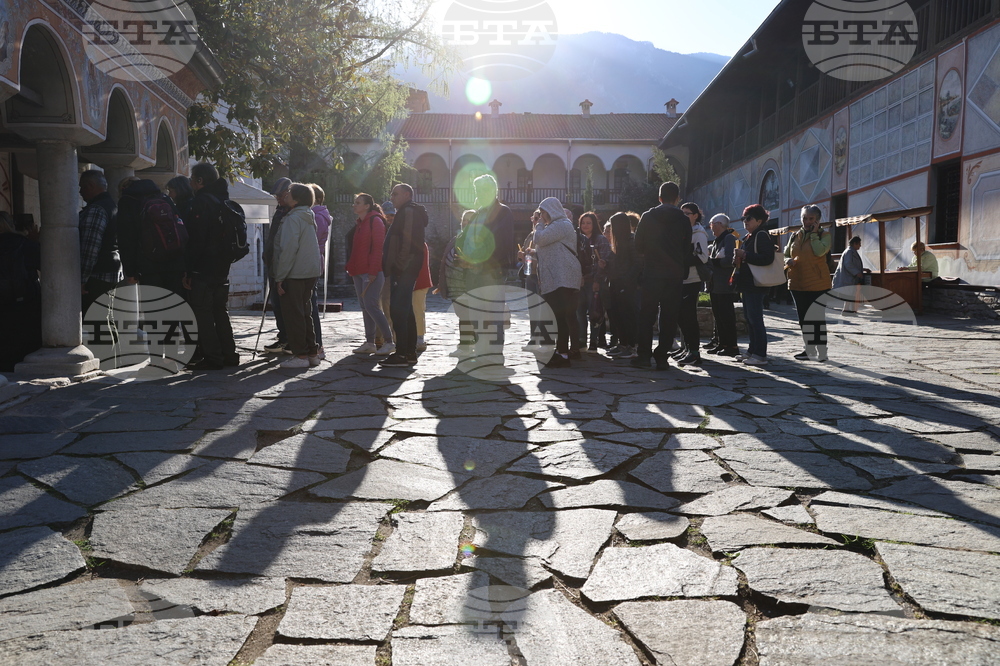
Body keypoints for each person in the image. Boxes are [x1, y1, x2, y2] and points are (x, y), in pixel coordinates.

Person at [183, 162, 239, 370]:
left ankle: (213, 357)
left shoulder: (201, 202)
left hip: (204, 268)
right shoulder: (223, 200)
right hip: (222, 266)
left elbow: (196, 239)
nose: (189, 183)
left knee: (203, 312)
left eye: (192, 178)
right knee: (220, 311)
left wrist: (189, 270)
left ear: (199, 181)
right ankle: (229, 355)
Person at [631, 181, 692, 370]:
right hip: (674, 274)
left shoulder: (648, 217)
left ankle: (643, 355)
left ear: (659, 198)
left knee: (646, 315)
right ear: (677, 199)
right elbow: (686, 248)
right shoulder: (682, 219)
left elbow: (638, 245)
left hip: (652, 272)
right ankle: (662, 356)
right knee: (669, 316)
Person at [457, 174, 515, 352]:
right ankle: (482, 351)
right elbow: (465, 238)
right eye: (476, 190)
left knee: (492, 314)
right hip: (474, 271)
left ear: (492, 190)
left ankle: (494, 354)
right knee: (477, 313)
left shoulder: (502, 211)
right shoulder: (479, 213)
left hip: (491, 271)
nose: (478, 193)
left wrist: (481, 262)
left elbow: (501, 242)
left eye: (481, 190)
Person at [273, 183, 323, 369]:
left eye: (289, 193)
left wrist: (280, 277)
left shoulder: (293, 218)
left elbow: (288, 249)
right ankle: (312, 352)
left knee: (294, 315)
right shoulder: (308, 216)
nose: (285, 195)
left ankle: (300, 355)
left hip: (294, 272)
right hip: (309, 271)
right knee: (305, 313)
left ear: (297, 198)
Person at [380, 183, 428, 368]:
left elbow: (407, 242)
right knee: (405, 310)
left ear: (407, 195)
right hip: (405, 267)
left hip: (405, 268)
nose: (392, 197)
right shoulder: (407, 211)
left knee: (399, 310)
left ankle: (402, 354)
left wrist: (399, 265)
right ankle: (408, 353)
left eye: (395, 194)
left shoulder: (408, 212)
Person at [532, 197, 582, 368]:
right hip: (557, 279)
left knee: (559, 317)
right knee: (556, 316)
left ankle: (562, 354)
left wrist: (537, 223)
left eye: (543, 212)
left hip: (563, 278)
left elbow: (539, 239)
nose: (541, 215)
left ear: (551, 210)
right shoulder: (554, 227)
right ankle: (559, 352)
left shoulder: (562, 224)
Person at [118, 178, 186, 295]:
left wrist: (130, 271)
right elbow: (180, 228)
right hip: (174, 263)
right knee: (174, 307)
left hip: (148, 266)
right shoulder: (164, 198)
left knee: (154, 308)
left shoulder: (127, 201)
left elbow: (127, 238)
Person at [346, 194, 393, 355]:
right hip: (358, 271)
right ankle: (370, 342)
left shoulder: (376, 221)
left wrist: (373, 272)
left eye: (357, 203)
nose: (354, 205)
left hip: (371, 272)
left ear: (367, 206)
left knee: (372, 306)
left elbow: (378, 249)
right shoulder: (360, 223)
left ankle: (388, 341)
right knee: (365, 307)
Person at [784, 204, 832, 361]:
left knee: (817, 319)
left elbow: (819, 251)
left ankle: (822, 352)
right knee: (803, 319)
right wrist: (787, 260)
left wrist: (813, 235)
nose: (807, 221)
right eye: (804, 218)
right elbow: (785, 254)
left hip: (818, 284)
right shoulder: (794, 236)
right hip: (797, 282)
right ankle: (809, 350)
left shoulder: (825, 235)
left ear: (818, 220)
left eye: (811, 218)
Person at [733, 204, 775, 366]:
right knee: (750, 318)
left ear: (759, 220)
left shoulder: (762, 235)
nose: (745, 221)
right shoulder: (749, 237)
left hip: (756, 283)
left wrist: (746, 255)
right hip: (748, 283)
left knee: (756, 319)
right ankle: (752, 350)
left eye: (748, 218)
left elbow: (767, 258)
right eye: (743, 218)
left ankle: (760, 354)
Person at [0, 211, 41, 371]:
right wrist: (36, 242)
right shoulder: (24, 243)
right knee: (25, 337)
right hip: (25, 298)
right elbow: (44, 264)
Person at [78, 169, 122, 315]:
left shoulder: (96, 209)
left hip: (97, 275)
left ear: (90, 186)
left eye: (82, 187)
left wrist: (82, 279)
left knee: (97, 323)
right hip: (111, 270)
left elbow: (90, 248)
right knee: (105, 319)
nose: (80, 192)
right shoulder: (111, 205)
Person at [675, 202, 710, 366]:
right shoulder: (683, 231)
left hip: (692, 279)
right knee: (682, 316)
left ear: (696, 215)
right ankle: (687, 348)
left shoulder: (699, 233)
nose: (684, 216)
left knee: (689, 317)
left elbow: (703, 257)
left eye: (687, 213)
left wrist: (679, 260)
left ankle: (694, 352)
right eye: (682, 213)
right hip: (682, 279)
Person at [605, 212, 641, 359]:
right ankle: (623, 343)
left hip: (627, 285)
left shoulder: (631, 240)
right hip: (615, 283)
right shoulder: (617, 242)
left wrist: (627, 282)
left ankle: (632, 346)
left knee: (628, 316)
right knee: (617, 315)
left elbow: (637, 264)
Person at [262, 178, 292, 354]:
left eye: (281, 195)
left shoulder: (293, 212)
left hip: (285, 265)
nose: (278, 199)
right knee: (277, 304)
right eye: (277, 196)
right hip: (273, 262)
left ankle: (289, 339)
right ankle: (283, 337)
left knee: (286, 304)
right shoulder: (280, 210)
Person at [442, 209, 476, 356]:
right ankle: (470, 342)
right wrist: (441, 283)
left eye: (469, 221)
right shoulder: (457, 238)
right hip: (454, 284)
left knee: (466, 315)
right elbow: (444, 260)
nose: (465, 223)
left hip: (467, 284)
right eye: (464, 220)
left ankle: (466, 346)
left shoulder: (475, 240)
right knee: (462, 314)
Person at [705, 214, 739, 357]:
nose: (710, 227)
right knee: (718, 315)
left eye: (712, 223)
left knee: (726, 316)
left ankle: (731, 345)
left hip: (724, 285)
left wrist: (711, 261)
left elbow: (728, 260)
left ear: (719, 224)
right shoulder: (717, 240)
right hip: (715, 285)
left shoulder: (728, 238)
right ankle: (721, 343)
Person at [578, 211, 611, 352]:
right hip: (579, 282)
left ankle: (593, 341)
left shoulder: (600, 239)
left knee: (595, 312)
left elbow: (603, 261)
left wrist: (597, 279)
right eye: (583, 223)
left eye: (588, 223)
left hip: (595, 281)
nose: (585, 225)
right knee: (579, 313)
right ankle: (581, 341)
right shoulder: (576, 239)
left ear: (594, 224)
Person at [309, 184, 331, 360]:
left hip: (310, 263)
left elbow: (312, 240)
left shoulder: (317, 216)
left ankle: (317, 345)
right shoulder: (316, 214)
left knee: (311, 305)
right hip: (311, 262)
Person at [375, 199, 396, 348]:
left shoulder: (397, 229)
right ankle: (379, 337)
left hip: (390, 272)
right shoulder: (380, 227)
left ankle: (390, 338)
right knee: (377, 305)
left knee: (388, 306)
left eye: (392, 216)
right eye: (387, 215)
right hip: (378, 270)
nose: (389, 218)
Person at [833, 235, 864, 312]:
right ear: (854, 244)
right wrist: (857, 272)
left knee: (850, 294)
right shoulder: (849, 252)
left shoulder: (850, 251)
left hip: (849, 276)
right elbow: (849, 264)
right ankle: (846, 309)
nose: (860, 246)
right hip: (848, 277)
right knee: (849, 293)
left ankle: (847, 309)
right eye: (859, 244)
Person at [413, 242, 433, 352]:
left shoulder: (419, 243)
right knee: (417, 309)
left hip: (419, 281)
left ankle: (420, 338)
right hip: (417, 281)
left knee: (418, 309)